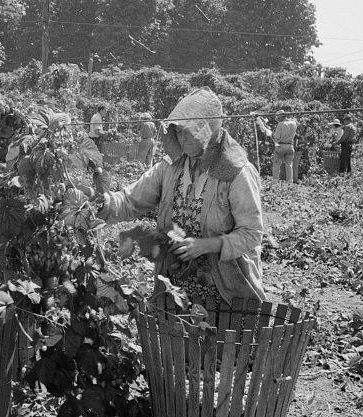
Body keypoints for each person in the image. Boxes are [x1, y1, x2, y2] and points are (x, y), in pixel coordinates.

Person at [90, 87, 266, 314]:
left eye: (188, 131)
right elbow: (130, 200)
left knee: (219, 345)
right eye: (178, 131)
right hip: (175, 287)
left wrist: (206, 245)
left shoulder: (236, 172)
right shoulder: (170, 167)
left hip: (224, 292)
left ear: (207, 130)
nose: (182, 138)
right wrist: (102, 202)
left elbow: (252, 233)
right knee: (175, 345)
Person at [272, 110, 299, 184]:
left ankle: (275, 182)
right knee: (289, 165)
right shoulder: (294, 123)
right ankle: (289, 182)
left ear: (280, 117)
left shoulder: (280, 124)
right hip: (290, 146)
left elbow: (277, 137)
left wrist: (273, 135)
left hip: (281, 145)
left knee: (276, 164)